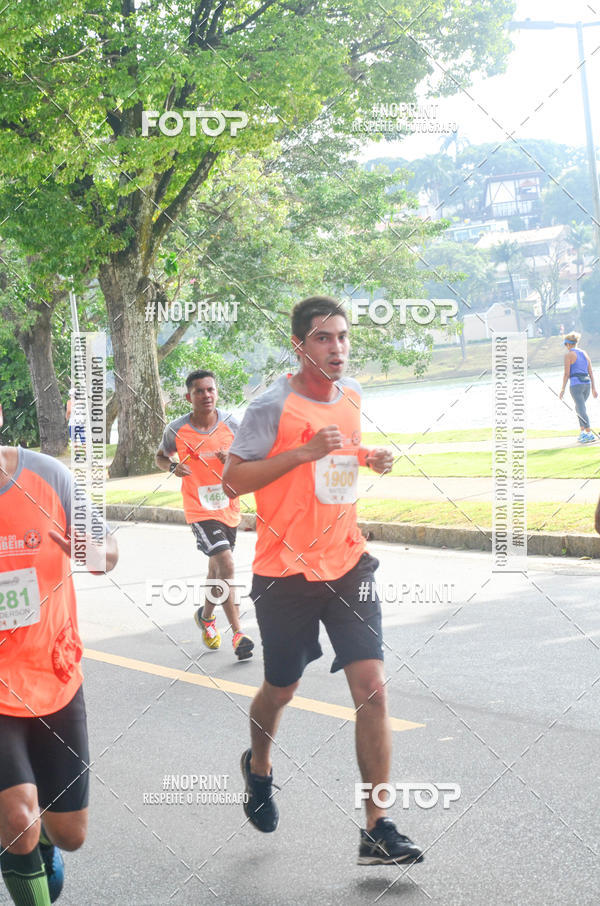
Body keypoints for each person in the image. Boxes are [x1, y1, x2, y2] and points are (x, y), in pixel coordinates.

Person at [222, 296, 424, 866]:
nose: (337, 348)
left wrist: (368, 457)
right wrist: (302, 451)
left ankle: (377, 827)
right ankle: (258, 765)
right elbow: (233, 479)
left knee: (373, 687)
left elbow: (338, 454)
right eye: (323, 338)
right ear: (299, 346)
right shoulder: (270, 406)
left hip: (348, 563)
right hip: (285, 571)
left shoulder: (352, 394)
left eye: (342, 337)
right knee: (282, 688)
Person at [0, 445, 118, 905]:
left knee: (70, 834)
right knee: (19, 817)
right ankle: (19, 839)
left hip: (55, 674)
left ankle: (34, 845)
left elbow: (108, 549)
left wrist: (95, 553)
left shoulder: (48, 475)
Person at [156, 370, 254, 660]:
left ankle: (206, 617)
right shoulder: (177, 429)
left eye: (210, 390)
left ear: (217, 393)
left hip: (228, 506)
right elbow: (160, 456)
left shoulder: (232, 423)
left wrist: (233, 458)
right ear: (189, 397)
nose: (206, 395)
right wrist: (173, 467)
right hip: (199, 509)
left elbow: (250, 456)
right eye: (199, 391)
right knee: (226, 562)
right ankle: (238, 633)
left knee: (216, 571)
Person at [559, 332, 597, 443]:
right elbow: (590, 372)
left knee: (581, 409)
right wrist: (594, 388)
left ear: (568, 344)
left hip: (576, 385)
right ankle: (582, 432)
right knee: (579, 408)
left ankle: (589, 433)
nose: (566, 347)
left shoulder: (569, 355)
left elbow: (566, 374)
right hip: (587, 385)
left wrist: (562, 389)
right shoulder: (584, 353)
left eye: (565, 345)